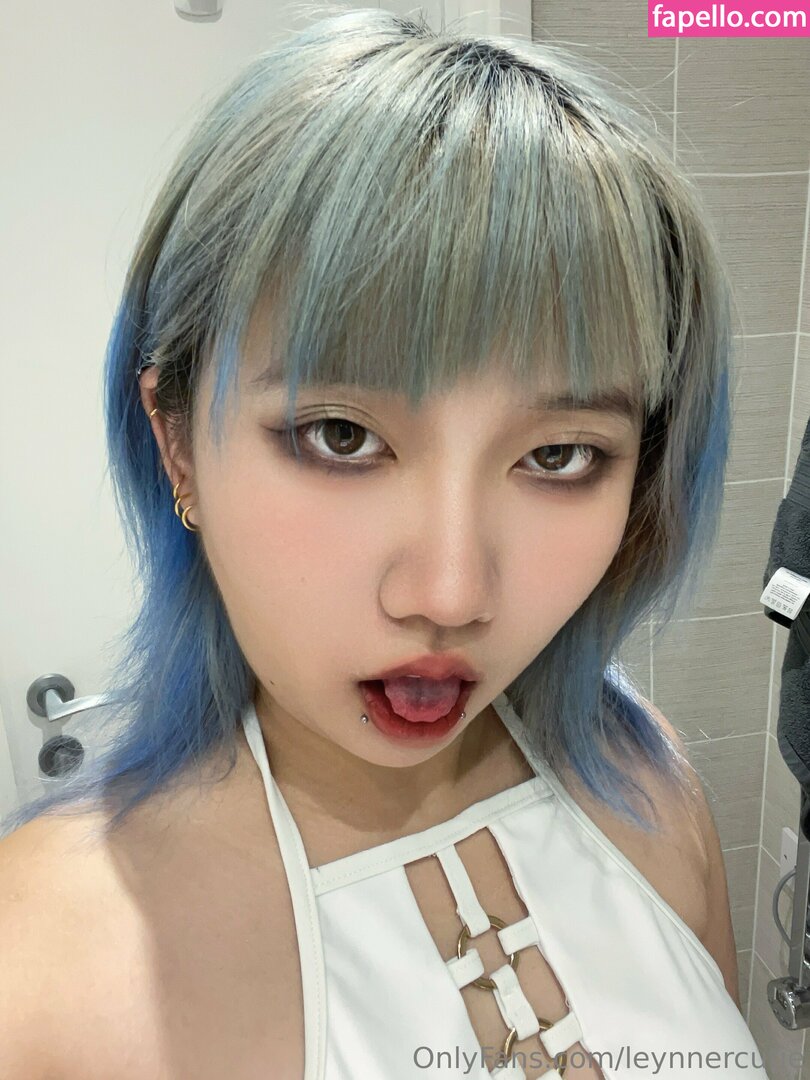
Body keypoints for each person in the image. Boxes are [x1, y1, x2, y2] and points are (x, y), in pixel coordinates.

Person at [0, 7, 768, 1078]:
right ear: (176, 444)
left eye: (559, 456)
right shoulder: (41, 965)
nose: (448, 594)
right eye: (342, 436)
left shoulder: (649, 784)